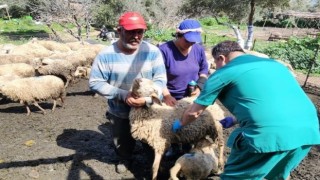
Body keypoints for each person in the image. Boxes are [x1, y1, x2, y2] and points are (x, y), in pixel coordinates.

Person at [172, 40, 320, 179]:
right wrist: (235, 119)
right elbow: (270, 101)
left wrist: (179, 125)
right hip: (308, 132)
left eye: (215, 63)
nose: (215, 68)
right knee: (275, 176)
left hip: (267, 135)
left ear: (221, 58)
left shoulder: (224, 73)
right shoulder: (274, 65)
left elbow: (194, 112)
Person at [89, 12, 167, 174]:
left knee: (152, 137)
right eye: (131, 31)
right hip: (120, 109)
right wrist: (123, 95)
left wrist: (147, 99)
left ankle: (153, 160)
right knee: (122, 139)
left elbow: (160, 79)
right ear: (119, 31)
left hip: (149, 110)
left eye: (140, 32)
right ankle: (125, 158)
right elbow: (96, 82)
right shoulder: (106, 55)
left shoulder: (152, 51)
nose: (136, 36)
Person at [158, 19, 209, 157]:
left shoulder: (198, 49)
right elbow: (157, 75)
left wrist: (200, 85)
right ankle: (172, 147)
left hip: (191, 96)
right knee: (170, 125)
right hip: (171, 96)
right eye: (187, 41)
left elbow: (204, 69)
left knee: (190, 124)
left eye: (194, 41)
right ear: (178, 35)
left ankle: (188, 147)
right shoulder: (164, 50)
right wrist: (167, 95)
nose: (191, 44)